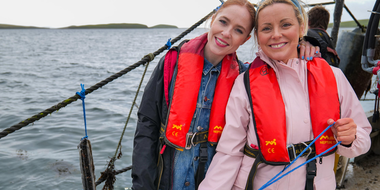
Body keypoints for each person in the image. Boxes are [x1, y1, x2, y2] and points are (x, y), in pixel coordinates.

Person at [132, 0, 318, 189]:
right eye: (223, 22)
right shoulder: (172, 63)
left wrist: (305, 44)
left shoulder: (244, 79)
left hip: (212, 179)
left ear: (246, 39)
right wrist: (142, 184)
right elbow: (147, 125)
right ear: (213, 20)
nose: (227, 33)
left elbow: (281, 66)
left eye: (238, 30)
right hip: (167, 178)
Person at [199, 0, 372, 190]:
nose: (276, 34)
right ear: (257, 35)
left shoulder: (334, 77)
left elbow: (363, 138)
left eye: (286, 24)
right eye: (266, 28)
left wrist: (350, 138)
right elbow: (229, 152)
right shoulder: (244, 83)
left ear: (301, 27)